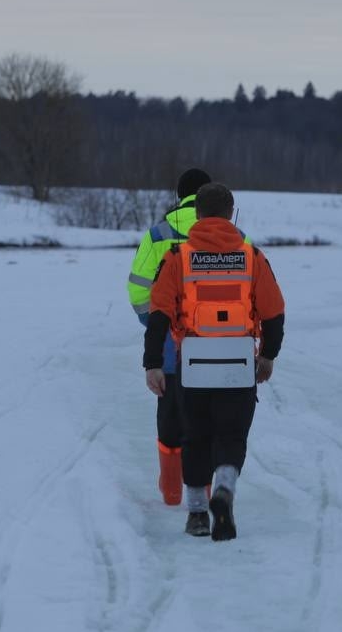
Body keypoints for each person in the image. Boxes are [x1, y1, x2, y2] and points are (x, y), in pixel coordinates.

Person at [143, 182, 285, 540]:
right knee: (231, 434)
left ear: (199, 215)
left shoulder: (178, 257)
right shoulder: (252, 257)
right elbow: (274, 313)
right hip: (237, 364)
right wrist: (267, 356)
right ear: (230, 214)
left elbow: (158, 312)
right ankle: (224, 488)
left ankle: (195, 515)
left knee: (196, 437)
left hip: (193, 363)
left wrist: (153, 363)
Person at [127, 168, 211, 505]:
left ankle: (173, 490)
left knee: (171, 409)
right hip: (218, 340)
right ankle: (203, 488)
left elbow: (137, 290)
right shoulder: (233, 235)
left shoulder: (159, 234)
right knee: (208, 414)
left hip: (171, 338)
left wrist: (155, 323)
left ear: (180, 196)